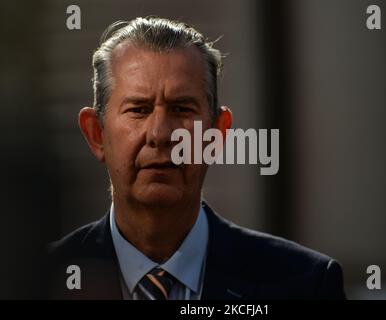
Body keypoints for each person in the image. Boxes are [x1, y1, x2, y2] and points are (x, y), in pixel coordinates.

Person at [48, 16, 346, 300]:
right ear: (96, 133)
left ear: (217, 132)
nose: (161, 134)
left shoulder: (304, 284)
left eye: (181, 109)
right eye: (138, 109)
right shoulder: (38, 283)